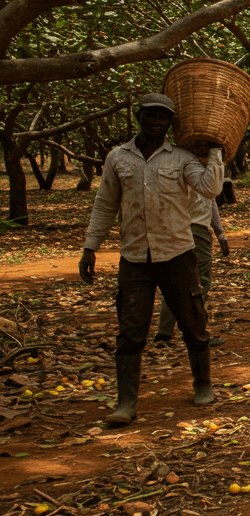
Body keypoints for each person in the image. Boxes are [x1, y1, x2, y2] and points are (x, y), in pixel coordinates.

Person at [80, 94, 223, 427]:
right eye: (151, 116)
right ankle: (126, 401)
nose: (156, 122)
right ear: (138, 116)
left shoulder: (183, 158)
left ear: (170, 123)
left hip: (177, 253)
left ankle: (203, 384)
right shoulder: (118, 157)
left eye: (163, 117)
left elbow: (210, 189)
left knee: (193, 323)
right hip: (134, 257)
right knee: (131, 331)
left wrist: (216, 152)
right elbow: (105, 204)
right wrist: (91, 247)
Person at [154, 190, 229, 348]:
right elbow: (211, 202)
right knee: (199, 283)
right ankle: (198, 334)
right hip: (196, 230)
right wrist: (220, 233)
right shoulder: (201, 169)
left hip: (172, 229)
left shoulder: (169, 167)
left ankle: (165, 332)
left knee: (173, 281)